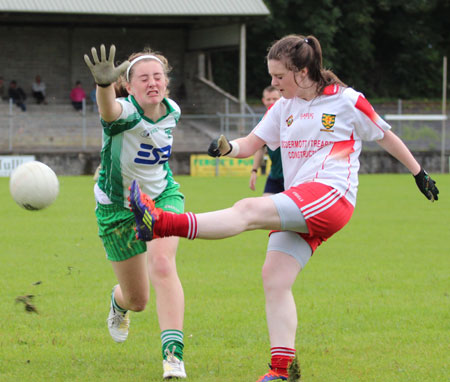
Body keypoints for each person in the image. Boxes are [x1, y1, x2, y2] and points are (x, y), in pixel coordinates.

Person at [128, 34, 440, 382]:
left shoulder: (347, 101)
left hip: (330, 196)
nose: (273, 84)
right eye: (271, 76)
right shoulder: (283, 108)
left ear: (302, 71)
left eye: (279, 77)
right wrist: (227, 147)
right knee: (274, 277)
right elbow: (251, 144)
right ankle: (281, 371)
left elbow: (385, 135)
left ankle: (161, 224)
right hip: (303, 202)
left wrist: (419, 173)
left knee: (249, 209)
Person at [84, 44, 188, 379]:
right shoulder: (124, 112)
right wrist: (103, 87)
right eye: (143, 78)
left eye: (158, 77)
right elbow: (108, 111)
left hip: (161, 197)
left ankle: (173, 358)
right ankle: (118, 304)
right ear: (129, 86)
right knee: (138, 299)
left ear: (166, 83)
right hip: (116, 209)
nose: (152, 82)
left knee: (162, 262)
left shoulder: (173, 111)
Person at [250, 86, 283, 196]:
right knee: (264, 208)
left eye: (275, 99)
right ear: (263, 101)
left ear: (281, 99)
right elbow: (260, 148)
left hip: (292, 177)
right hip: (275, 175)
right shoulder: (263, 121)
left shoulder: (290, 117)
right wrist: (254, 171)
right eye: (268, 99)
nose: (271, 102)